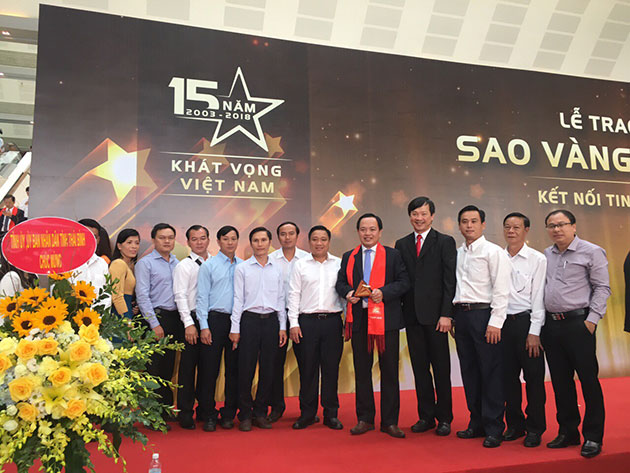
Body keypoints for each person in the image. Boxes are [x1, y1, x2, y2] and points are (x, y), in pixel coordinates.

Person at [541, 209, 610, 458]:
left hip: (578, 324)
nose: (557, 229)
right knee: (561, 382)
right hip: (551, 326)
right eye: (552, 225)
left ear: (573, 226)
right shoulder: (546, 254)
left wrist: (591, 321)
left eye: (562, 224)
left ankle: (593, 436)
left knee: (588, 381)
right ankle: (568, 431)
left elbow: (602, 288)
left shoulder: (592, 251)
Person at [335, 213, 410, 438]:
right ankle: (365, 418)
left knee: (389, 371)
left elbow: (404, 282)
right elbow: (340, 283)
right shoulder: (349, 256)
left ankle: (390, 422)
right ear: (358, 232)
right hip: (359, 320)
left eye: (372, 229)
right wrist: (348, 292)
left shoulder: (393, 255)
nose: (367, 233)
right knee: (362, 370)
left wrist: (383, 293)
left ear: (380, 231)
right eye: (363, 229)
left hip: (386, 321)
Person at [395, 197, 456, 436]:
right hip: (412, 317)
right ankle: (426, 416)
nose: (419, 218)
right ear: (410, 216)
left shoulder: (445, 242)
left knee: (441, 369)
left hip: (437, 318)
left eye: (423, 214)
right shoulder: (402, 244)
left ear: (432, 216)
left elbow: (449, 281)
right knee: (420, 370)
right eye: (415, 214)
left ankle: (445, 418)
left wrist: (446, 314)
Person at [452, 205, 511, 448]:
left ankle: (494, 427)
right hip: (461, 316)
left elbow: (502, 289)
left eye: (474, 221)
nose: (469, 225)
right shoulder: (457, 253)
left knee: (491, 373)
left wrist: (496, 322)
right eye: (464, 221)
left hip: (484, 316)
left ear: (483, 224)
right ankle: (476, 422)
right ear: (459, 225)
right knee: (470, 372)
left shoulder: (493, 252)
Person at [229, 227, 287, 431]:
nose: (260, 244)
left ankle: (260, 413)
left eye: (263, 240)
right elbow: (238, 299)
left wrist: (282, 326)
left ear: (270, 242)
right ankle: (245, 414)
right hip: (249, 321)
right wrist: (235, 328)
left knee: (268, 369)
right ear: (251, 243)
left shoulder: (277, 269)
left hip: (271, 322)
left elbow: (281, 299)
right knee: (245, 369)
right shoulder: (243, 268)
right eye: (256, 240)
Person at [288, 225, 344, 430]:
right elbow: (293, 294)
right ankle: (307, 414)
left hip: (332, 322)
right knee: (307, 370)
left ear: (329, 242)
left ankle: (331, 414)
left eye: (323, 239)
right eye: (314, 239)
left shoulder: (339, 264)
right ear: (309, 241)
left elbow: (344, 294)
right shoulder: (300, 265)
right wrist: (293, 323)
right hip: (307, 323)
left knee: (331, 370)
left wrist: (348, 321)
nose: (319, 243)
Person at [502, 212, 547, 447]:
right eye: (507, 227)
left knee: (533, 378)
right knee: (507, 378)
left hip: (526, 323)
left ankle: (535, 428)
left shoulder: (537, 259)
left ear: (526, 230)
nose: (511, 231)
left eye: (516, 227)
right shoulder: (497, 257)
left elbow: (539, 297)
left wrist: (534, 331)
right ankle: (515, 425)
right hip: (502, 325)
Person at [196, 226, 243, 431]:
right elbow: (201, 297)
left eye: (233, 239)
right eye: (225, 239)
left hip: (237, 322)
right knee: (209, 371)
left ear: (238, 241)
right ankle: (208, 414)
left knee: (234, 371)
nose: (230, 242)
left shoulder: (243, 266)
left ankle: (229, 414)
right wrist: (204, 326)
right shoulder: (209, 265)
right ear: (218, 241)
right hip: (214, 321)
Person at [135, 223, 181, 429]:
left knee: (168, 368)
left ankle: (165, 410)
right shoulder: (145, 264)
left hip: (174, 319)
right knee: (153, 369)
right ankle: (151, 415)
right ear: (154, 240)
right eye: (162, 237)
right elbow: (142, 296)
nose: (167, 241)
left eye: (170, 237)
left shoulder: (178, 263)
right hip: (155, 318)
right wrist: (154, 323)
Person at [267, 222, 309, 422]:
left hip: (303, 316)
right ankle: (276, 406)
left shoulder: (307, 259)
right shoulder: (270, 260)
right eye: (283, 234)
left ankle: (307, 409)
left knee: (306, 363)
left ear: (297, 236)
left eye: (291, 233)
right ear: (278, 237)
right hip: (277, 316)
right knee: (275, 363)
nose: (287, 237)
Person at [173, 225, 211, 431]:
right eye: (194, 239)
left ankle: (205, 410)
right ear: (188, 242)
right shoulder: (184, 266)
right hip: (191, 320)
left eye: (202, 238)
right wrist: (188, 323)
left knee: (208, 367)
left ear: (208, 240)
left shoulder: (214, 262)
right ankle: (185, 412)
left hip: (210, 320)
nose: (199, 242)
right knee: (188, 369)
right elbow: (180, 296)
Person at [109, 228, 140, 319]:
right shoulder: (118, 263)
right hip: (120, 315)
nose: (134, 246)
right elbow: (117, 295)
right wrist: (126, 319)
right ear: (119, 246)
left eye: (137, 243)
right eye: (129, 242)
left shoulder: (131, 266)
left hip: (127, 310)